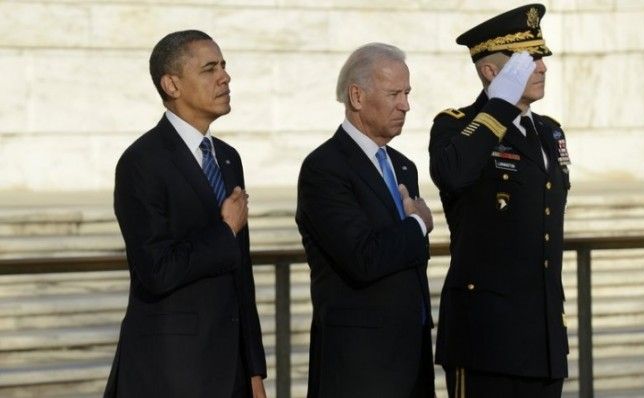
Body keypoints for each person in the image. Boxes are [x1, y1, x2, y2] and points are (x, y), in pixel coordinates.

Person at [104, 30, 267, 398]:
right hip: (170, 372)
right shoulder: (141, 162)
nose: (225, 77)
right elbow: (156, 270)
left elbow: (242, 276)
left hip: (232, 373)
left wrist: (255, 371)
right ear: (172, 85)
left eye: (224, 66)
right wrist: (225, 231)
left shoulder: (228, 158)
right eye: (210, 69)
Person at [429, 4, 571, 398]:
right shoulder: (456, 125)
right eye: (527, 61)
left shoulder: (549, 132)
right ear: (492, 72)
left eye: (541, 57)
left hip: (542, 340)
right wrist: (499, 108)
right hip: (485, 341)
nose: (542, 67)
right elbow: (452, 173)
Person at [296, 42, 435, 398]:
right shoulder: (324, 168)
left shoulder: (404, 166)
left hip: (411, 360)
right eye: (394, 94)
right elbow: (363, 257)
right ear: (356, 96)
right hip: (359, 368)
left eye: (407, 93)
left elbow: (409, 258)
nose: (405, 105)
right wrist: (417, 225)